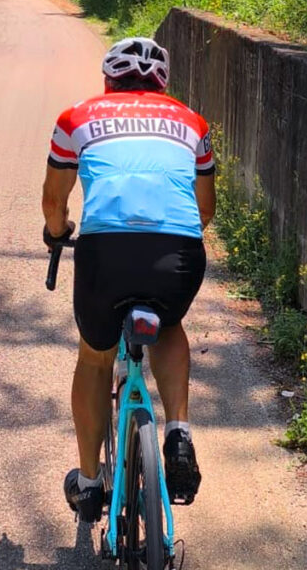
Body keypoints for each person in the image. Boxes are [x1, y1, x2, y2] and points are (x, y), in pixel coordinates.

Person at [41, 37, 215, 522]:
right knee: (170, 325)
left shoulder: (76, 118)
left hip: (106, 254)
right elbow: (204, 209)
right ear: (163, 83)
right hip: (177, 249)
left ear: (108, 80)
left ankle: (91, 483)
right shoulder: (192, 122)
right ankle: (178, 432)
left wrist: (57, 234)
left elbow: (55, 204)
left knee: (96, 358)